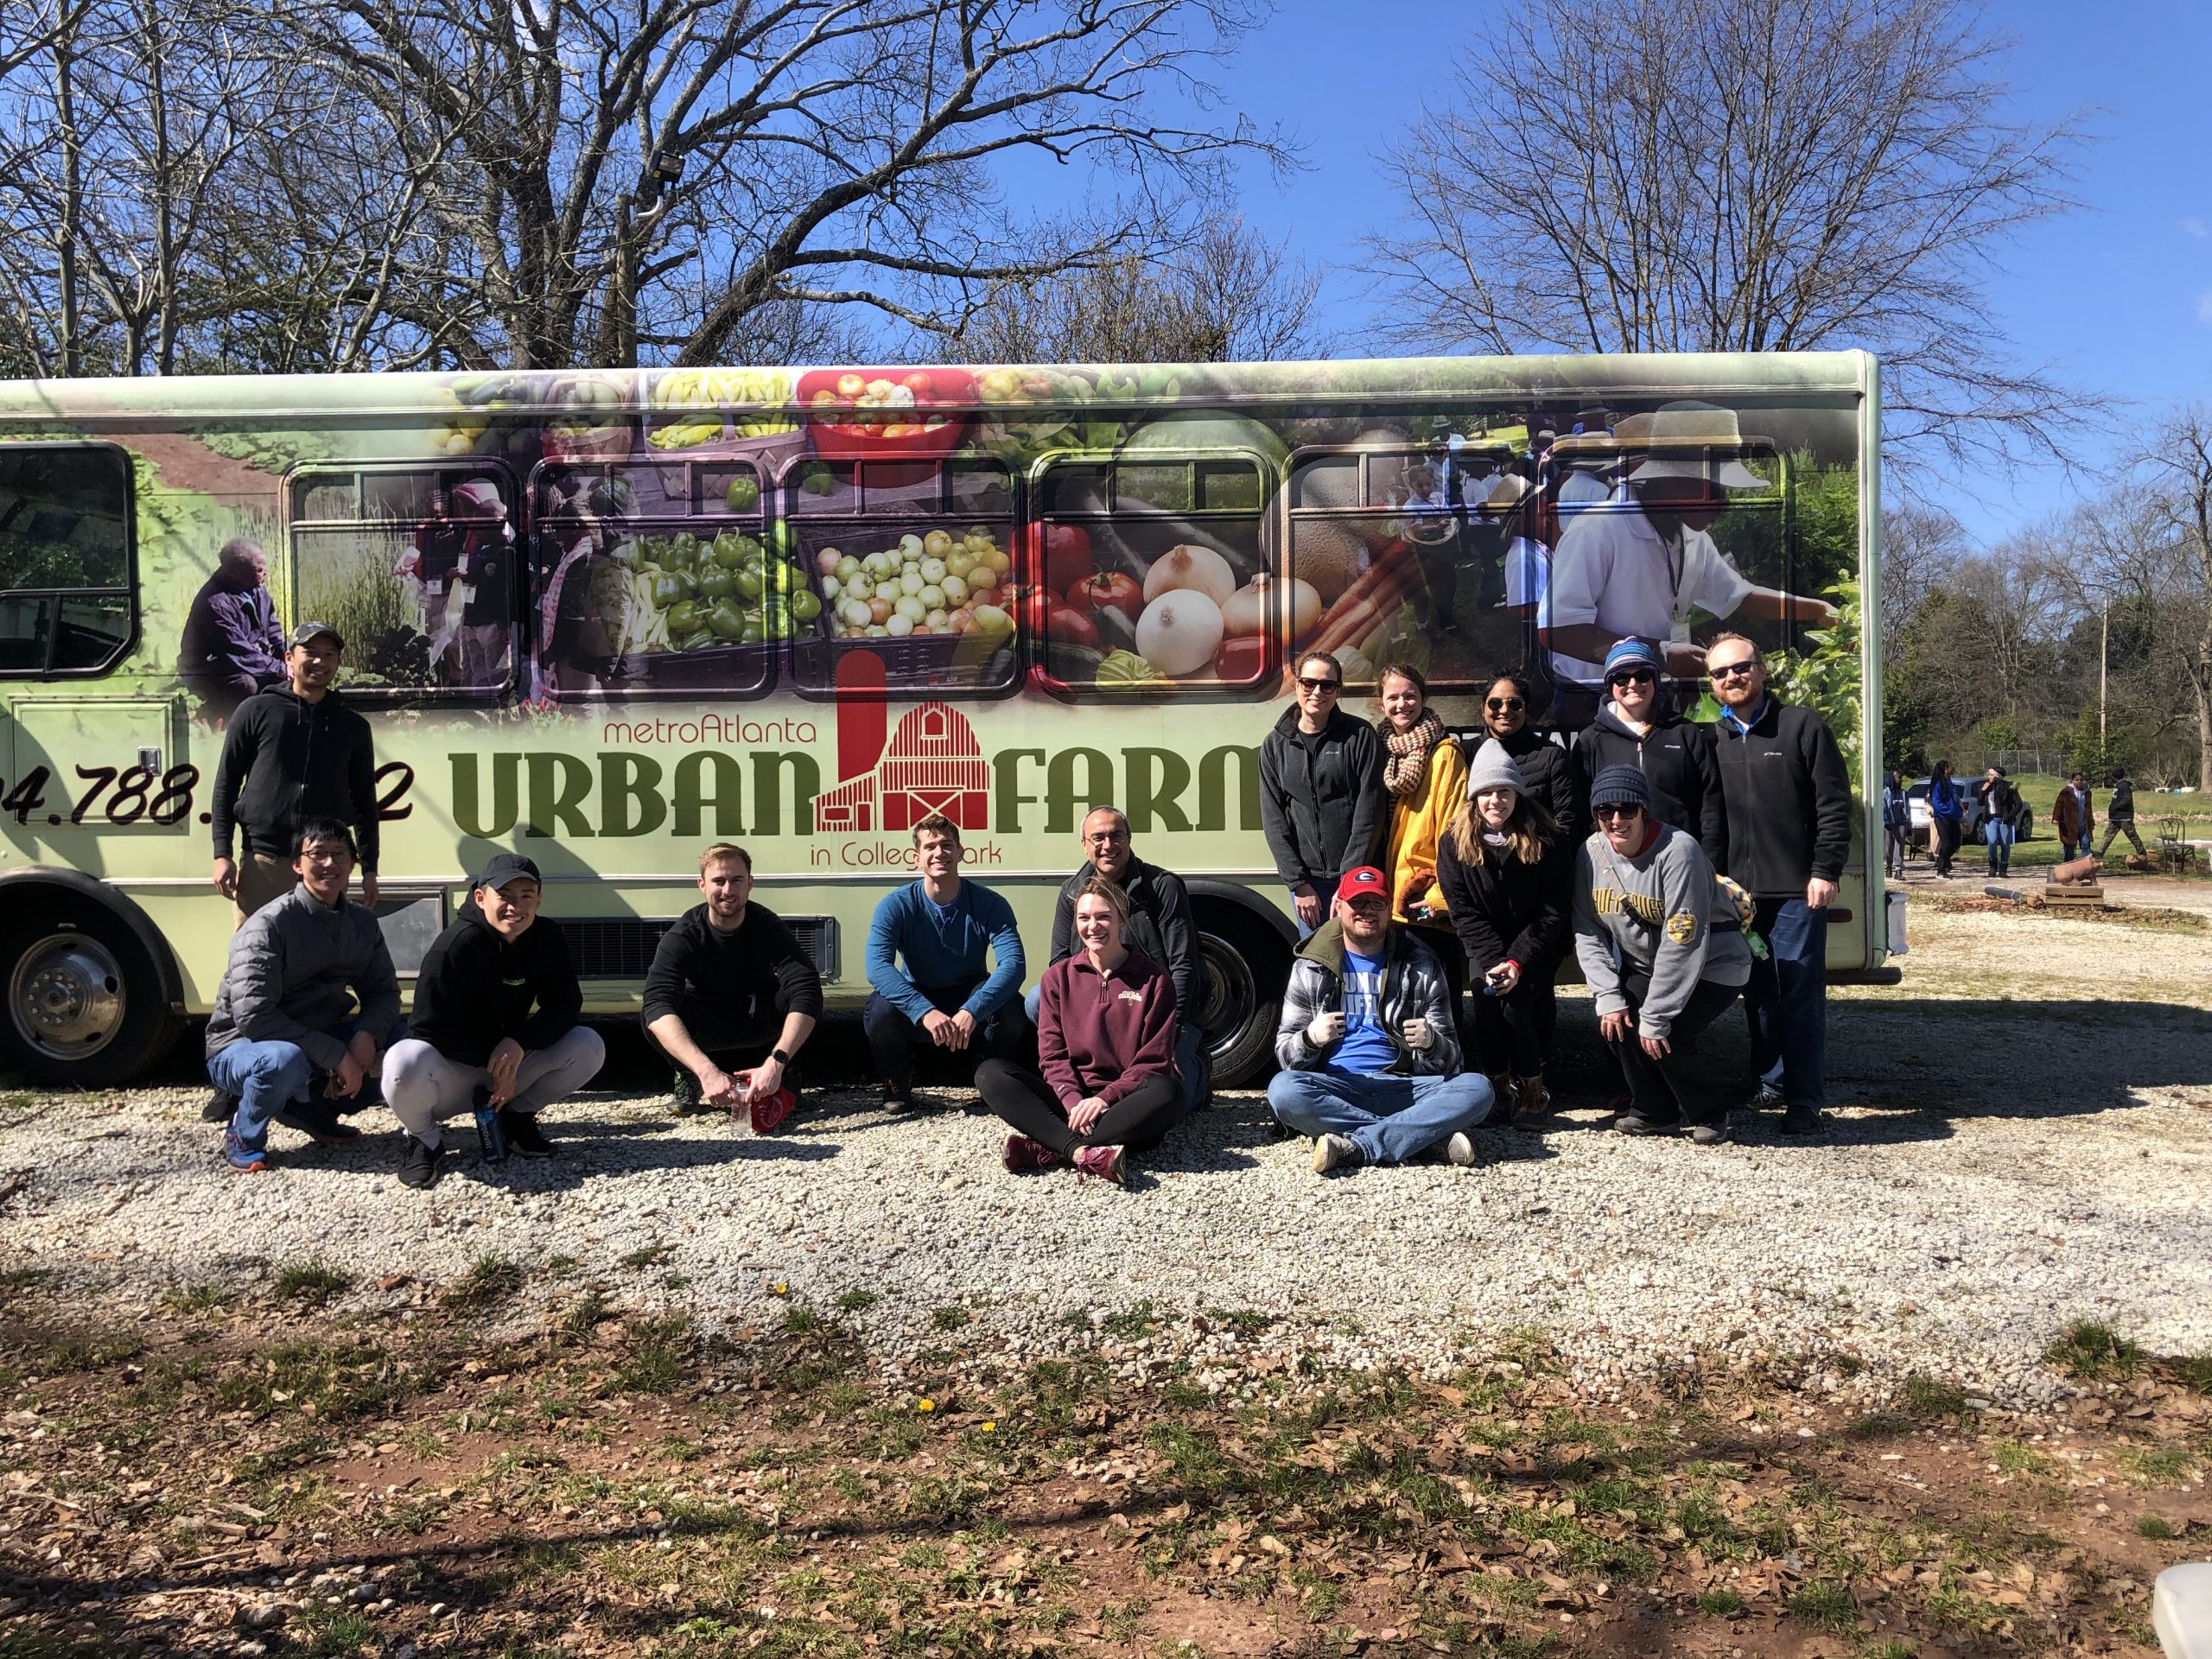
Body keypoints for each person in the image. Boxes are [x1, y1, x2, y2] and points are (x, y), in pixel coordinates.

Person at [1541, 403, 1839, 717]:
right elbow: (1558, 631)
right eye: (1717, 489)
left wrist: (1817, 610)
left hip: (1653, 694)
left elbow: (1740, 596)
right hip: (1590, 701)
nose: (1725, 504)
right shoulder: (1596, 530)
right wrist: (1662, 655)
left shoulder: (1693, 537)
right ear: (1675, 482)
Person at [381, 854, 605, 1188]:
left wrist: (518, 1043)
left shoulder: (547, 937)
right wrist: (495, 1064)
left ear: (539, 899)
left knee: (589, 1044)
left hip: (505, 1067)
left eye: (526, 896)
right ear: (480, 897)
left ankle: (515, 1118)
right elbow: (427, 1027)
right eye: (505, 896)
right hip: (454, 1070)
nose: (515, 906)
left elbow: (566, 1006)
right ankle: (425, 1140)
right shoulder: (454, 946)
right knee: (403, 1062)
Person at [1704, 635, 1851, 1135]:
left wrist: (1825, 871)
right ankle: (1768, 1082)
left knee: (1798, 994)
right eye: (1721, 674)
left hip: (1795, 892)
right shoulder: (1712, 741)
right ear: (1712, 685)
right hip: (1737, 896)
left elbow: (1833, 805)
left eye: (1741, 668)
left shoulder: (1802, 727)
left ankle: (1804, 1101)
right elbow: (1710, 820)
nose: (1732, 678)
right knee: (1758, 992)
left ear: (1761, 671)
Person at [1266, 866, 1494, 1173]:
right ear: (1340, 906)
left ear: (1388, 910)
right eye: (1357, 903)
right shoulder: (1309, 968)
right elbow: (1285, 1058)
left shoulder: (1422, 965)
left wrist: (1431, 1044)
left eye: (1376, 903)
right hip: (1338, 1086)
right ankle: (1421, 1139)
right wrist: (1310, 1039)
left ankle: (1360, 1145)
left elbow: (1452, 1059)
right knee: (1283, 1090)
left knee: (1478, 1088)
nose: (1366, 912)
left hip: (1407, 1087)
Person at [204, 817, 400, 1173]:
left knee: (405, 1043)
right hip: (242, 1046)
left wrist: (366, 1034)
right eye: (317, 854)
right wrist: (337, 1054)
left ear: (352, 863)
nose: (329, 864)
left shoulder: (362, 923)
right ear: (297, 864)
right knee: (283, 1060)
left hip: (315, 1037)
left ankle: (312, 1113)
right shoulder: (266, 926)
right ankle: (243, 1135)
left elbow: (385, 991)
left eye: (339, 854)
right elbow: (254, 1017)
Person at [1574, 766, 1751, 1143]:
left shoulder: (1679, 851)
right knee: (1619, 1025)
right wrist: (1607, 994)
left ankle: (1710, 1114)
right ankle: (1655, 1113)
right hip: (1646, 964)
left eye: (1627, 810)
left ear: (1644, 811)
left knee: (1668, 1035)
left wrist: (1657, 1016)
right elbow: (1587, 928)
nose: (1616, 820)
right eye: (1606, 812)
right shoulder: (1590, 853)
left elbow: (1683, 940)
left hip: (1714, 962)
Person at [979, 877, 1182, 1186]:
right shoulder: (1056, 978)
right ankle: (1083, 1153)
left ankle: (1049, 1146)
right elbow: (1052, 1055)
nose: (1094, 926)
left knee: (1169, 1091)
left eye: (1104, 916)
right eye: (1084, 918)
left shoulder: (1155, 981)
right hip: (1069, 1103)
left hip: (1123, 1104)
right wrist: (1073, 1100)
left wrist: (1104, 1099)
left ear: (1121, 920)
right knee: (990, 1073)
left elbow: (1153, 1060)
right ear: (1075, 924)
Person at [1033, 806, 1206, 1115]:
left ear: (1129, 839)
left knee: (1173, 1102)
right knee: (1036, 999)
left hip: (1158, 1008)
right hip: (1101, 1003)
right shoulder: (1071, 892)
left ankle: (1199, 1070)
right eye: (1097, 837)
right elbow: (1058, 962)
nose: (1108, 845)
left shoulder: (1162, 887)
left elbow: (1184, 966)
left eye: (1116, 836)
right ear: (1084, 844)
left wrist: (1170, 1036)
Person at [1435, 741, 1573, 1125]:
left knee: (1516, 1006)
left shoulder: (1547, 838)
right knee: (1485, 1000)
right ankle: (1497, 1088)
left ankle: (1533, 1090)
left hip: (1538, 944)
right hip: (1487, 944)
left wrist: (1517, 961)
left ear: (1517, 793)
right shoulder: (1453, 843)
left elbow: (1552, 910)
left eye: (1504, 791)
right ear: (1474, 797)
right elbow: (1463, 912)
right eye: (1487, 793)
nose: (1496, 801)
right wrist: (1496, 960)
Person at [210, 621, 380, 923]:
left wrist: (369, 868)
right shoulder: (255, 711)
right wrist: (222, 853)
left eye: (329, 655)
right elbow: (226, 785)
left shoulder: (352, 726)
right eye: (310, 652)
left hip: (323, 866)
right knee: (256, 959)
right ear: (290, 658)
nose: (320, 662)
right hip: (264, 861)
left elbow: (366, 801)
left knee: (322, 961)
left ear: (338, 663)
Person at [643, 842, 823, 1122]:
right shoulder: (684, 935)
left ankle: (784, 1078)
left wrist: (777, 1063)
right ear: (702, 885)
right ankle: (690, 1078)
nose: (728, 890)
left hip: (758, 1022)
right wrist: (705, 1070)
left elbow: (806, 987)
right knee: (653, 1015)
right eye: (719, 881)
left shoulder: (767, 926)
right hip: (705, 1025)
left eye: (737, 880)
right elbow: (656, 1002)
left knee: (801, 995)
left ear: (750, 883)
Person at [863, 812, 1029, 1107]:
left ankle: (994, 1079)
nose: (939, 852)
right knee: (878, 1010)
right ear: (916, 858)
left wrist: (973, 1010)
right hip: (919, 994)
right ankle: (896, 1080)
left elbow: (1014, 964)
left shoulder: (990, 903)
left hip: (969, 992)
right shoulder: (895, 905)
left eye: (947, 845)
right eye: (930, 847)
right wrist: (923, 1011)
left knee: (1012, 1007)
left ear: (960, 852)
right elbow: (877, 968)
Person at [1260, 649, 1386, 938]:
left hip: (1357, 878)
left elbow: (1369, 811)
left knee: (1362, 961)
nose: (1318, 692)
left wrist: (1350, 880)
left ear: (1338, 691)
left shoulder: (1360, 736)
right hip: (1310, 885)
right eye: (1309, 683)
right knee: (1319, 965)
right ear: (1297, 686)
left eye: (1327, 685)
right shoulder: (1275, 745)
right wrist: (1298, 884)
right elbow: (1274, 820)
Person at [1567, 637, 1724, 861]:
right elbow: (1580, 811)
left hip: (1680, 860)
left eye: (1642, 676)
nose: (1632, 684)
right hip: (1615, 865)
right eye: (1621, 678)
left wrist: (1710, 863)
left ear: (1655, 681)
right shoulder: (1591, 740)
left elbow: (1710, 805)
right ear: (1610, 687)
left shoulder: (1685, 733)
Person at [1374, 663, 1469, 1005]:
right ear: (1381, 703)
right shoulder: (1380, 749)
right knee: (1405, 999)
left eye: (1410, 696)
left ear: (1424, 698)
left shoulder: (1444, 754)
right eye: (1393, 697)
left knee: (1438, 998)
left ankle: (1448, 1059)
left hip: (1422, 895)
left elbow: (1455, 832)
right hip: (1387, 893)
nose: (1402, 704)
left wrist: (1439, 897)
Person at [178, 537, 287, 720]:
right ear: (237, 573)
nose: (266, 573)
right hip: (208, 669)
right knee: (246, 684)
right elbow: (239, 653)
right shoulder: (215, 604)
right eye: (259, 570)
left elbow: (273, 631)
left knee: (287, 683)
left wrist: (289, 660)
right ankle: (211, 718)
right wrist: (281, 669)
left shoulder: (256, 588)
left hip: (244, 660)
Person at [1474, 672, 1582, 846]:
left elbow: (1568, 823)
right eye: (1495, 703)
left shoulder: (1552, 757)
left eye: (1515, 704)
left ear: (1527, 709)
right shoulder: (1464, 754)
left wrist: (1540, 861)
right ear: (1483, 708)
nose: (1504, 710)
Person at [1976, 766, 2021, 877]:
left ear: (1997, 777)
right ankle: (1992, 866)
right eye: (1989, 775)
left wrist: (2010, 816)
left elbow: (2018, 804)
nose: (1989, 777)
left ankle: (2003, 868)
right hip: (1991, 818)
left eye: (1991, 775)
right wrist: (1983, 790)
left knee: (2005, 843)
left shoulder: (2009, 787)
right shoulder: (1987, 787)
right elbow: (1980, 802)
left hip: (2004, 819)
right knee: (1992, 842)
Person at [2097, 766, 2148, 861]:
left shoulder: (2124, 786)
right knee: (2108, 835)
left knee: (2132, 835)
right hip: (2115, 817)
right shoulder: (2118, 785)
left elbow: (2126, 800)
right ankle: (2100, 852)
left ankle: (2142, 852)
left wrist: (2116, 807)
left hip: (2124, 817)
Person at [1928, 760, 1964, 878]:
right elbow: (1937, 803)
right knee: (1946, 843)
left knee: (1956, 843)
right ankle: (1941, 870)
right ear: (1945, 769)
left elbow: (1955, 799)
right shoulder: (1938, 785)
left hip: (1953, 817)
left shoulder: (1950, 783)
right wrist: (1950, 810)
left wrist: (1958, 811)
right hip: (1942, 818)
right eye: (1950, 767)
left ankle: (1944, 861)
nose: (1952, 768)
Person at [2054, 770, 2094, 862]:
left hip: (2083, 824)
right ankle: (2068, 866)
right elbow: (2059, 805)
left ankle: (2088, 866)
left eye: (2081, 780)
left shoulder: (2087, 793)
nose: (2079, 782)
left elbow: (2089, 809)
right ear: (2072, 781)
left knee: (2085, 844)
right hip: (2070, 824)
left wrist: (2091, 822)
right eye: (2077, 780)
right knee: (2070, 846)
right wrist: (2056, 818)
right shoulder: (2066, 792)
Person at [1881, 768, 1911, 878]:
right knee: (1888, 846)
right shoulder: (1885, 794)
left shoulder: (1904, 793)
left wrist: (1909, 824)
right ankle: (1888, 866)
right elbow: (1883, 809)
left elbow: (1908, 809)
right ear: (1892, 779)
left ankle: (1898, 870)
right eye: (1898, 777)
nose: (1900, 779)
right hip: (1889, 823)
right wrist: (1885, 822)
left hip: (1902, 823)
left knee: (1900, 845)